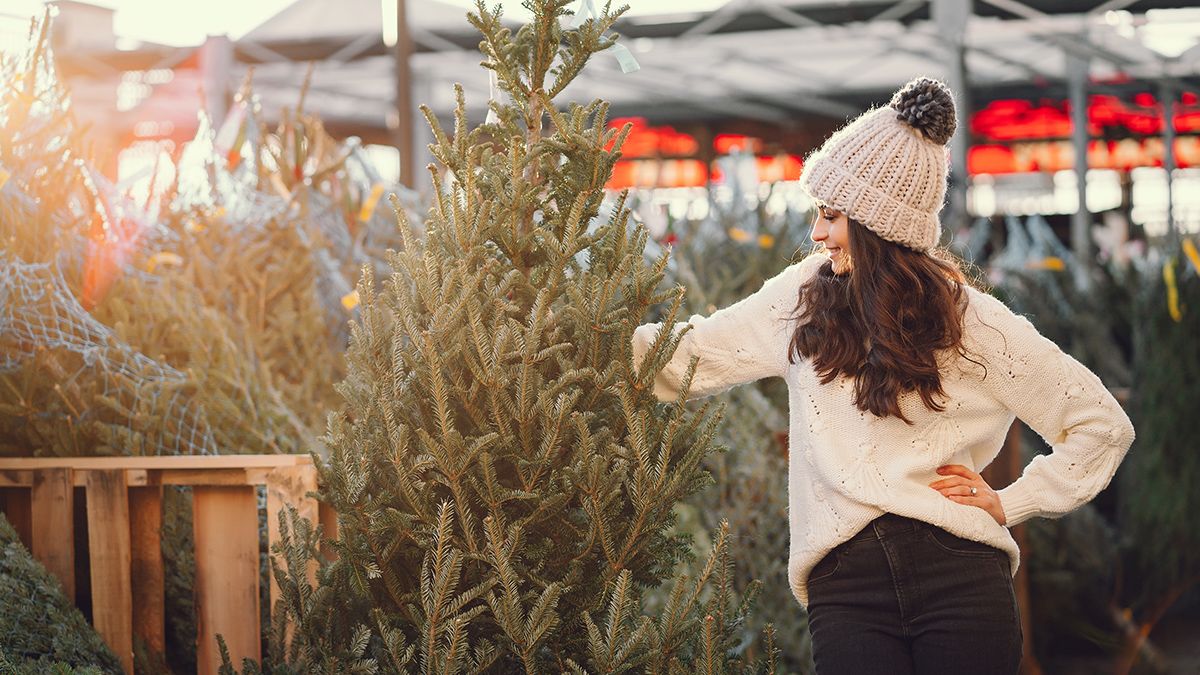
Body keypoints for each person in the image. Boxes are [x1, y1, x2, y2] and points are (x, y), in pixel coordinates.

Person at [630, 77, 1135, 674]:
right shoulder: (801, 297)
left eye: (832, 215)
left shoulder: (971, 320)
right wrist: (582, 342)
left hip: (961, 579)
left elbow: (1100, 425)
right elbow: (691, 354)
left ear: (876, 225)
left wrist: (1010, 501)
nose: (816, 234)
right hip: (848, 591)